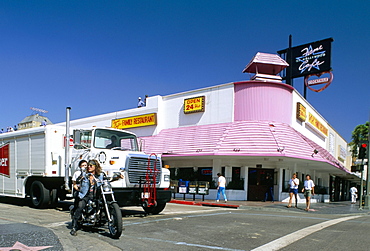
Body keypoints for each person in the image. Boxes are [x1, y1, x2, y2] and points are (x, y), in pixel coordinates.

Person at [70, 159, 104, 236]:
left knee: (104, 204)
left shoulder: (100, 175)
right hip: (86, 195)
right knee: (80, 206)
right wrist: (80, 179)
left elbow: (106, 180)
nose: (89, 167)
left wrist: (116, 177)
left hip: (96, 195)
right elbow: (78, 179)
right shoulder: (84, 174)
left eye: (91, 165)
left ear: (96, 167)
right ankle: (74, 227)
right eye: (88, 165)